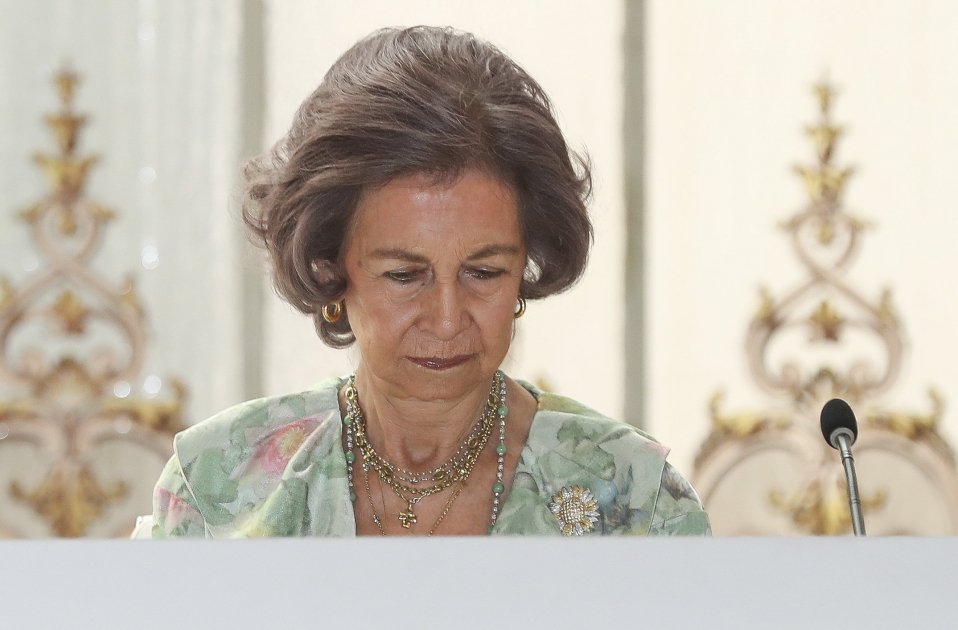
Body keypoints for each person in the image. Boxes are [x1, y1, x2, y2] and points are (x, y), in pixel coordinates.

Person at [151, 25, 710, 537]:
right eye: (404, 275)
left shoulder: (638, 500)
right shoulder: (218, 485)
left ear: (525, 268)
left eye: (484, 273)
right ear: (329, 267)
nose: (446, 319)